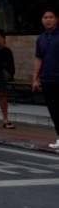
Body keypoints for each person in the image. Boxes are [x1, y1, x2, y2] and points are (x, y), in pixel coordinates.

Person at [32, 8, 59, 152]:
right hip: (47, 79)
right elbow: (38, 58)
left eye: (51, 17)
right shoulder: (41, 38)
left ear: (56, 19)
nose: (48, 20)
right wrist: (35, 78)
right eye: (45, 17)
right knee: (54, 111)